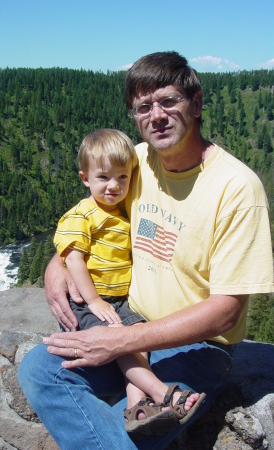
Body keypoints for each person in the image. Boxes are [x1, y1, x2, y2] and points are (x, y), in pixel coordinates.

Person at [18, 51, 274, 449]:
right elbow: (92, 223)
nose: (156, 115)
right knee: (39, 369)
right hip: (128, 322)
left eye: (169, 101)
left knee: (131, 433)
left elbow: (227, 311)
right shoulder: (137, 161)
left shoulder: (237, 188)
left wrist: (121, 342)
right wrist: (58, 264)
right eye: (143, 107)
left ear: (197, 103)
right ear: (135, 117)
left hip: (198, 347)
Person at [53, 128, 206, 438]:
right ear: (85, 178)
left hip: (118, 302)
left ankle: (136, 409)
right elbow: (73, 260)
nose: (114, 186)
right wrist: (94, 300)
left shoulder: (122, 213)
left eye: (122, 178)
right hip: (89, 301)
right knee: (121, 343)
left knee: (136, 338)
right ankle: (166, 395)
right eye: (104, 178)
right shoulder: (82, 214)